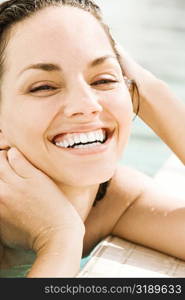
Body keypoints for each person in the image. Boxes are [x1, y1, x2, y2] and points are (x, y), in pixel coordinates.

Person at [0, 0, 184, 278]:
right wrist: (59, 239)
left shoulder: (111, 200)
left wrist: (150, 89)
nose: (86, 104)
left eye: (103, 81)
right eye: (44, 86)